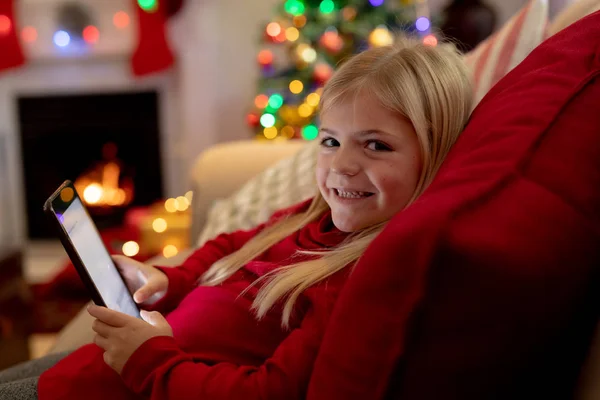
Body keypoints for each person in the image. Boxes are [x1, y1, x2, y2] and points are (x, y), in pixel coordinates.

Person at [0, 35, 473, 400]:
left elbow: (268, 393)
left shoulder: (358, 276)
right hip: (102, 368)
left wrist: (150, 360)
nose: (341, 166)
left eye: (376, 145)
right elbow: (231, 246)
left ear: (435, 157)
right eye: (330, 140)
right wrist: (169, 279)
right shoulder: (313, 215)